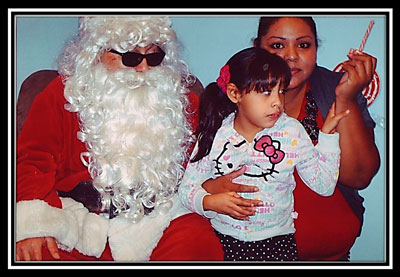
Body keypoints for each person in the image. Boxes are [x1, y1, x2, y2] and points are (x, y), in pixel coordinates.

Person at [16, 16, 224, 261]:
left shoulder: (181, 99)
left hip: (160, 218)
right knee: (38, 253)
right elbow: (32, 162)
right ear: (97, 52)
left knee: (199, 247)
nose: (144, 68)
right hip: (82, 221)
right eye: (131, 57)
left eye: (154, 56)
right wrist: (34, 225)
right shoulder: (62, 93)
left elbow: (203, 163)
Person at [201, 16, 380, 261]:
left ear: (316, 47)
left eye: (304, 45)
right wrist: (208, 190)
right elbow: (195, 181)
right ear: (258, 48)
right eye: (277, 45)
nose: (291, 55)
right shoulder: (233, 100)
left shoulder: (336, 89)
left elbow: (359, 177)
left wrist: (345, 99)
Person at [178, 47, 350, 261]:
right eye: (266, 91)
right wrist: (210, 202)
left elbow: (324, 186)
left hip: (277, 244)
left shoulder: (292, 132)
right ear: (235, 94)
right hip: (220, 240)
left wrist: (328, 137)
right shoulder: (215, 134)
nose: (277, 101)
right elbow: (186, 190)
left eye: (281, 91)